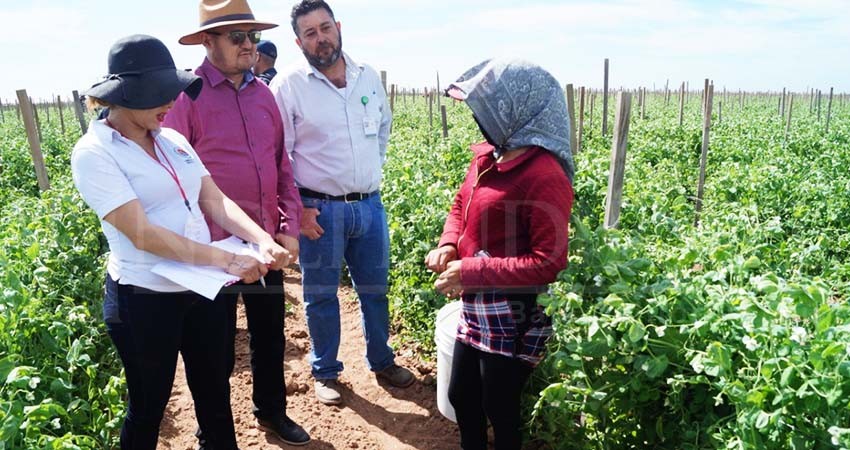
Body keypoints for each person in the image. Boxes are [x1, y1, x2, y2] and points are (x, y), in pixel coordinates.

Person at [71, 34, 290, 450]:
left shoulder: (173, 141)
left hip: (199, 288)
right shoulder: (94, 152)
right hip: (144, 299)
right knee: (150, 404)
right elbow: (142, 233)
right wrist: (226, 260)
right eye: (156, 95)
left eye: (169, 93)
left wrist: (262, 239)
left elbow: (215, 199)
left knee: (214, 392)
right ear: (120, 97)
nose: (169, 103)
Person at [163, 0, 309, 445]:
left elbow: (281, 164)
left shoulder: (264, 94)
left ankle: (271, 411)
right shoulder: (186, 97)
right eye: (237, 37)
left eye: (251, 36)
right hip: (213, 251)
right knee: (215, 350)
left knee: (269, 338)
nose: (249, 45)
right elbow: (173, 177)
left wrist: (288, 225)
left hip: (264, 242)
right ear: (208, 42)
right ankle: (214, 430)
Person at [269, 0, 414, 406]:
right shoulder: (289, 86)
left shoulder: (367, 77)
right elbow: (279, 154)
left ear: (338, 27)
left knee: (375, 289)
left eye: (325, 27)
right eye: (310, 33)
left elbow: (383, 130)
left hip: (369, 205)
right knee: (320, 294)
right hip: (320, 210)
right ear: (299, 42)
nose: (321, 38)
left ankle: (382, 360)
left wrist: (368, 175)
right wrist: (297, 207)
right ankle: (326, 371)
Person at [424, 58, 575, 450]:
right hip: (478, 302)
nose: (480, 116)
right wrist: (449, 243)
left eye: (488, 107)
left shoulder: (545, 175)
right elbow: (462, 203)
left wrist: (470, 271)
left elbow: (549, 262)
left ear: (519, 108)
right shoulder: (490, 156)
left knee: (500, 406)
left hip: (514, 312)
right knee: (462, 396)